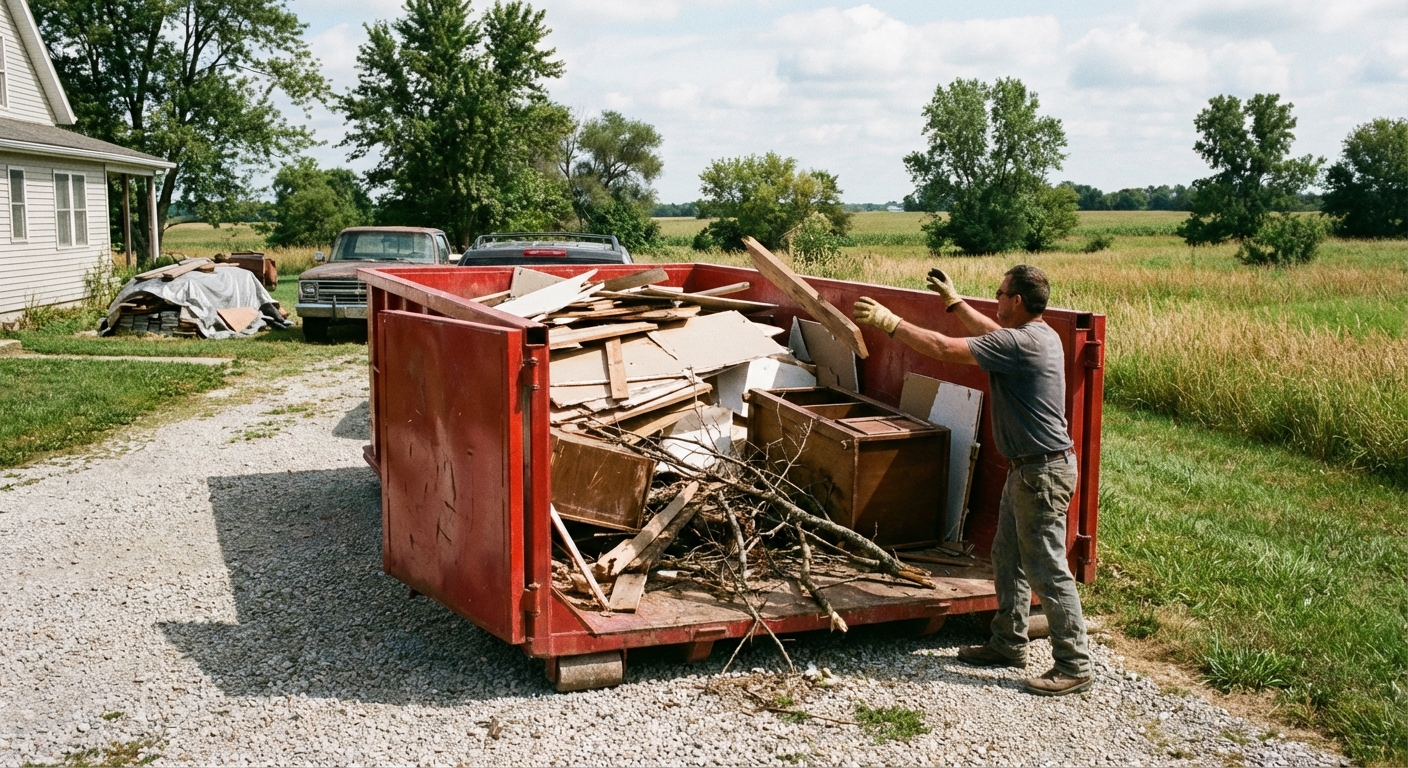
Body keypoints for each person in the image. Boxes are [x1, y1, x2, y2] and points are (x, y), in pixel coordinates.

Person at [852, 264, 1092, 697]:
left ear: (1017, 301)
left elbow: (944, 348)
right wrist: (955, 302)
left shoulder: (1020, 343)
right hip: (1031, 470)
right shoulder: (1040, 335)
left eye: (1001, 294)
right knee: (1006, 557)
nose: (997, 300)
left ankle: (1074, 664)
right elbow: (991, 332)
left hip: (1042, 473)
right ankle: (1007, 643)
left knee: (1047, 567)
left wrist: (892, 323)